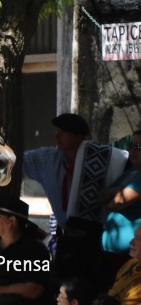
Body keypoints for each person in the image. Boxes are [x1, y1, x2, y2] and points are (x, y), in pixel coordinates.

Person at [23, 114, 127, 284]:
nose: (57, 136)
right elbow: (17, 160)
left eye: (63, 132)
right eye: (56, 131)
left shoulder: (100, 159)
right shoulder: (48, 158)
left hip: (95, 239)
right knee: (62, 288)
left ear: (79, 137)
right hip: (64, 239)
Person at [93, 224, 141, 305]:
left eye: (138, 239)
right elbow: (112, 293)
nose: (131, 242)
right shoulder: (131, 263)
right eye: (134, 236)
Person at [100, 129, 141, 258]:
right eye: (131, 146)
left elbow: (117, 202)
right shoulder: (131, 172)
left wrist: (116, 192)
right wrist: (120, 189)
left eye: (139, 147)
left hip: (131, 253)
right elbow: (101, 197)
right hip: (112, 251)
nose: (133, 151)